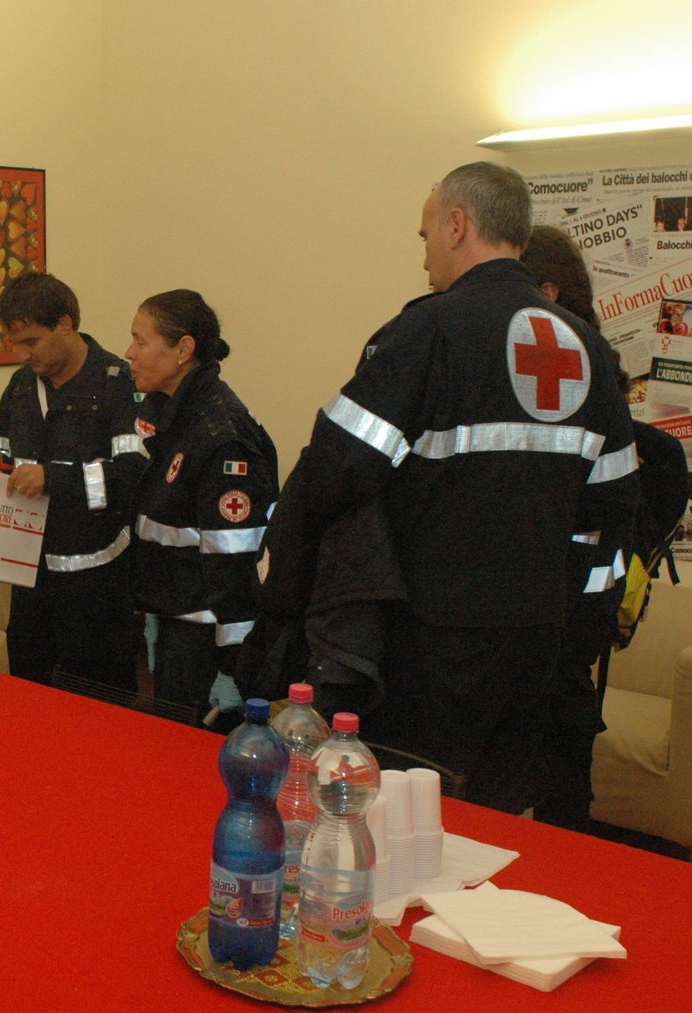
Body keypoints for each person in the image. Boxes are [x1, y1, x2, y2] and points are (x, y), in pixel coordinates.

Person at [258, 163, 639, 813]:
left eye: (427, 233)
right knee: (501, 821)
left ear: (458, 225)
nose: (426, 253)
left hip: (432, 644)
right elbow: (613, 508)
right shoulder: (588, 349)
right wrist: (570, 624)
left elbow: (332, 472)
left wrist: (282, 594)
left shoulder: (429, 331)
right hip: (537, 645)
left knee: (415, 817)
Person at [522, 225, 692, 830]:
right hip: (571, 621)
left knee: (555, 766)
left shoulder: (576, 379)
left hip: (562, 620)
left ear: (546, 293)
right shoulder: (592, 373)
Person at [0, 270, 145, 690]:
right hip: (30, 574)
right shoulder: (20, 385)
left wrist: (53, 478)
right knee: (28, 695)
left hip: (97, 580)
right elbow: (1, 445)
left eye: (31, 342)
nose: (22, 354)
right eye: (16, 344)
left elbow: (131, 477)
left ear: (66, 325)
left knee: (100, 708)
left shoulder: (119, 384)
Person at [126, 290, 277, 728]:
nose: (129, 353)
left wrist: (234, 664)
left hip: (205, 641)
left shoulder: (221, 436)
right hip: (174, 622)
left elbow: (235, 562)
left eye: (141, 340)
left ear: (183, 350)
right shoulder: (174, 416)